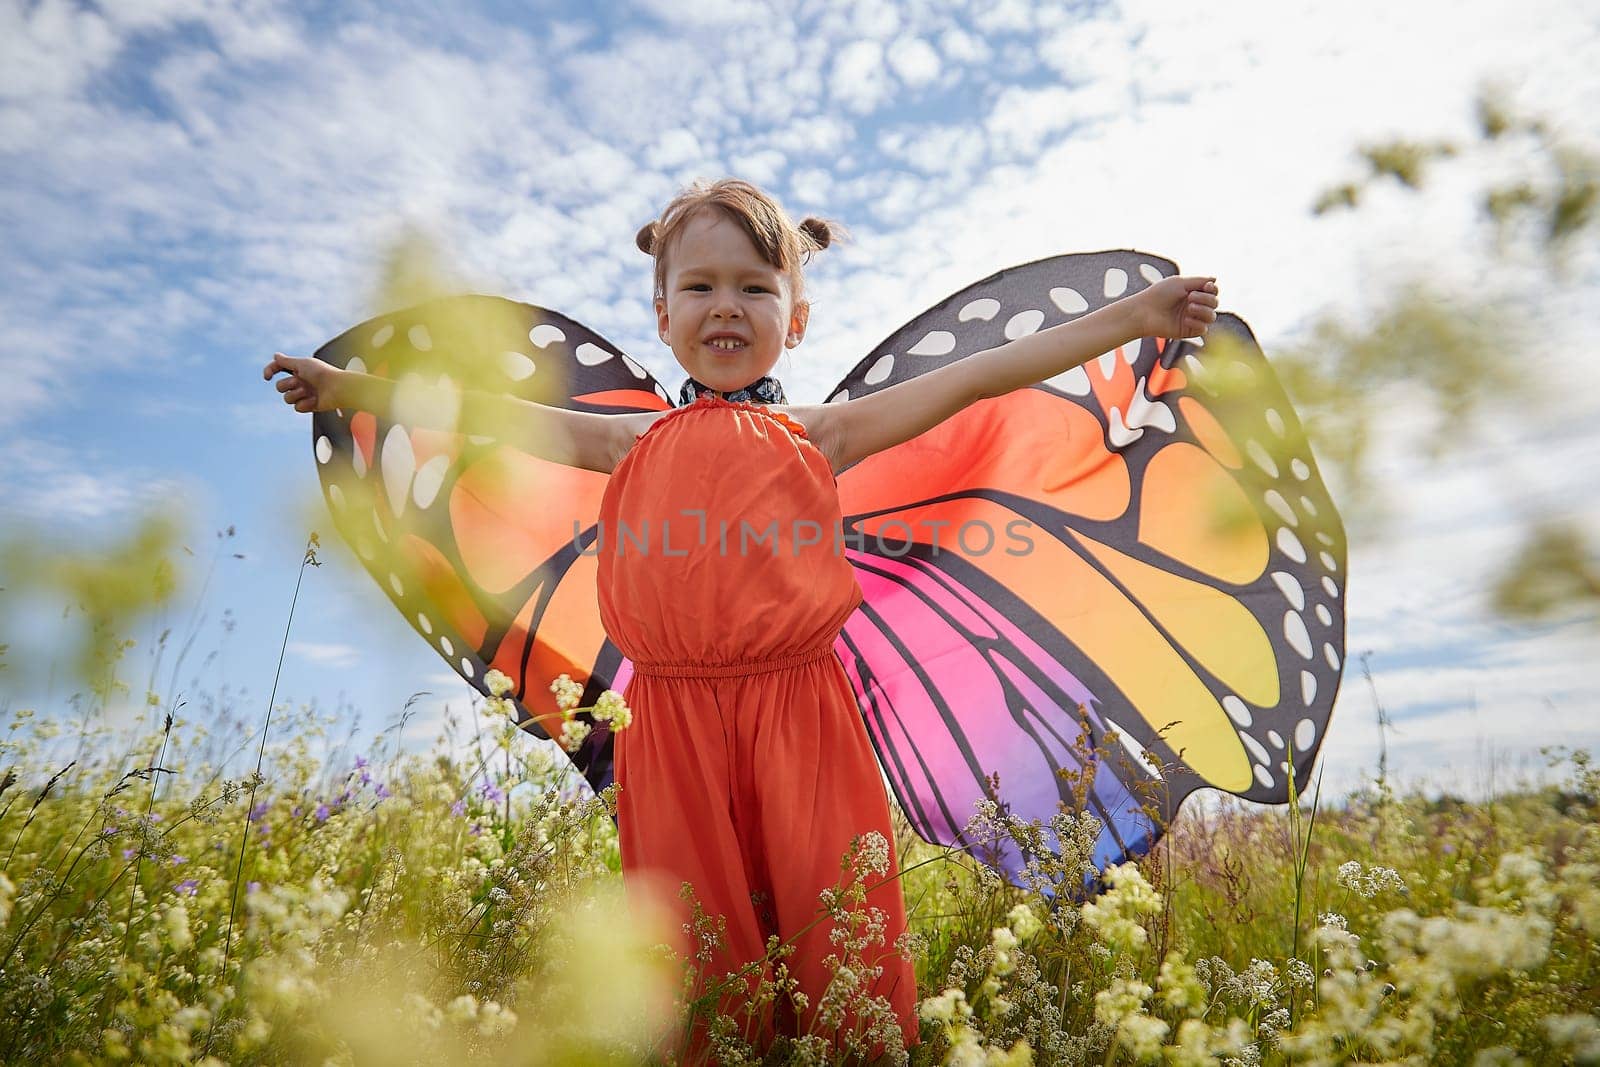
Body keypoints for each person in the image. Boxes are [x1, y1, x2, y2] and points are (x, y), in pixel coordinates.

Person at [264, 178, 1219, 1058]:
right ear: (663, 314)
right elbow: (483, 414)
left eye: (756, 289)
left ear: (794, 318)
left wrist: (1135, 317)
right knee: (694, 943)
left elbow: (981, 377)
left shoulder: (822, 433)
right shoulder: (623, 438)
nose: (728, 305)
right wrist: (352, 392)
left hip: (803, 716)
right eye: (702, 286)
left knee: (837, 925)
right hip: (667, 725)